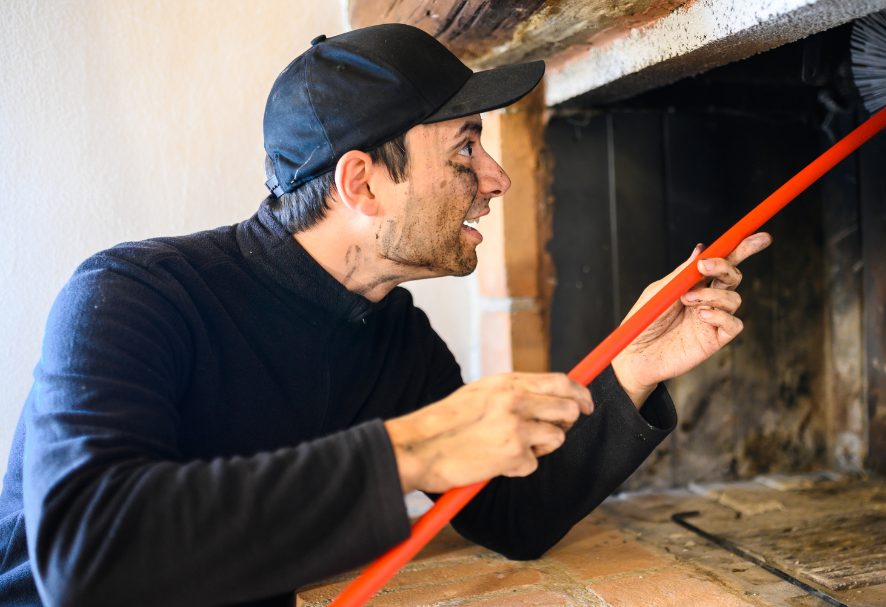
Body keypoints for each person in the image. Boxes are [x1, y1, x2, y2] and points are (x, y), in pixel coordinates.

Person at [0, 24, 770, 607]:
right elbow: (86, 552)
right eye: (466, 149)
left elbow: (510, 512)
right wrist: (415, 446)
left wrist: (635, 363)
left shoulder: (394, 335)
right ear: (362, 184)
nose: (495, 177)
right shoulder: (133, 295)